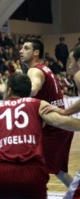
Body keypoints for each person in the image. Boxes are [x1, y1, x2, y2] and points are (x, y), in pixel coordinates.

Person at [0, 73, 80, 199]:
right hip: (33, 175)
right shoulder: (38, 104)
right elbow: (61, 122)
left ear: (9, 90)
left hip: (1, 173)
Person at [19, 37, 74, 187]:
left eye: (26, 48)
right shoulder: (45, 68)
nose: (21, 51)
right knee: (59, 171)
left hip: (55, 127)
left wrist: (15, 90)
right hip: (61, 126)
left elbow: (33, 89)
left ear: (36, 52)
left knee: (32, 165)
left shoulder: (34, 70)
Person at [42, 46, 80, 199]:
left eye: (70, 60)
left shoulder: (78, 75)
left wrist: (63, 114)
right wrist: (65, 112)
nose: (68, 64)